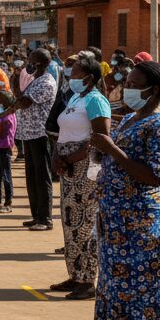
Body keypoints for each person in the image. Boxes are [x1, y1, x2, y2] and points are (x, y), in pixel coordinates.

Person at [87, 61, 160, 320]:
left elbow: (155, 174)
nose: (127, 87)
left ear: (153, 91)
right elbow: (112, 159)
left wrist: (114, 150)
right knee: (120, 291)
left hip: (143, 223)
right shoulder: (130, 118)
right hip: (116, 222)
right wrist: (102, 153)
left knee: (141, 294)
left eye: (135, 83)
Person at [49, 52, 111, 300]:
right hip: (68, 168)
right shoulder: (76, 96)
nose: (70, 77)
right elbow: (62, 130)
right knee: (70, 222)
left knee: (85, 224)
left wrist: (72, 158)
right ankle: (75, 274)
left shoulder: (96, 101)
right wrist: (56, 155)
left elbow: (101, 139)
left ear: (89, 78)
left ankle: (87, 280)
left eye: (75, 74)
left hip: (85, 169)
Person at [11, 49, 57, 231]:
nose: (26, 65)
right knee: (32, 176)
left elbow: (24, 102)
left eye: (30, 61)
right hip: (28, 134)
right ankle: (36, 215)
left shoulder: (46, 82)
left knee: (42, 176)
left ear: (40, 63)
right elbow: (20, 98)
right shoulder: (35, 81)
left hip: (40, 133)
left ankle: (45, 218)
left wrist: (14, 85)